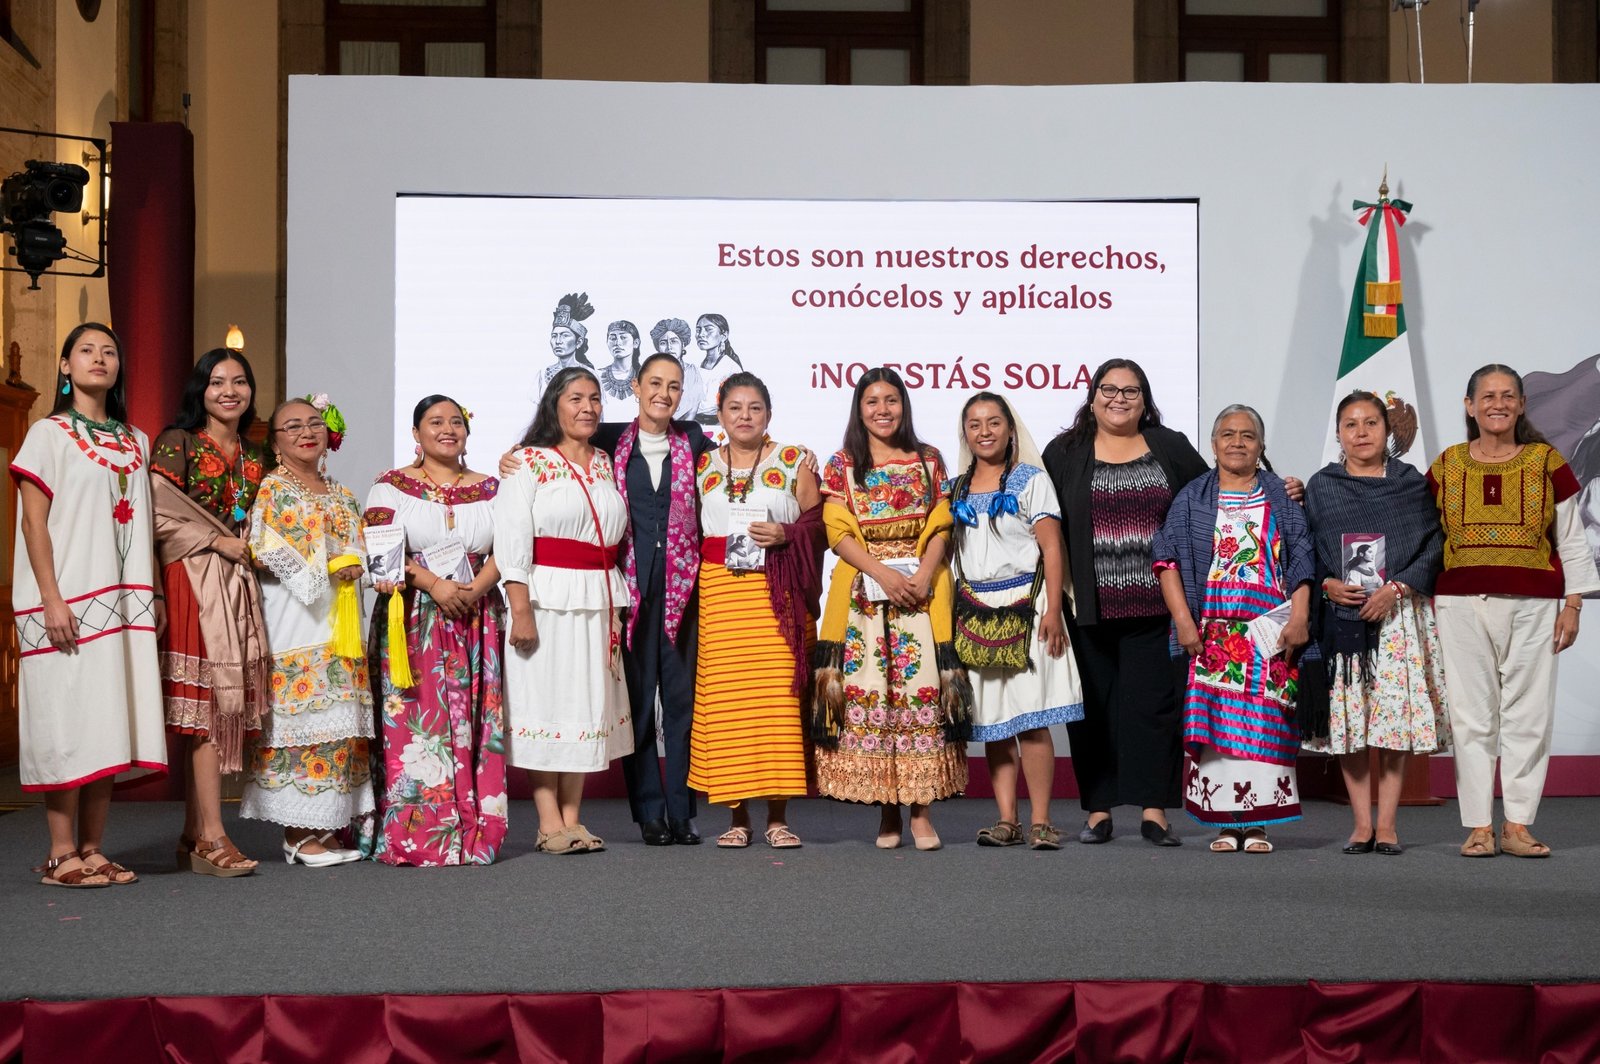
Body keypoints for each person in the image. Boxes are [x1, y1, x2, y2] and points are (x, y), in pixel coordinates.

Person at [13, 323, 167, 887]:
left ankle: (94, 848)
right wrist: (51, 598)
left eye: (108, 352)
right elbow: (33, 524)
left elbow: (146, 527)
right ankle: (61, 852)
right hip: (66, 601)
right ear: (65, 366)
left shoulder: (136, 440)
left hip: (124, 603)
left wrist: (153, 591)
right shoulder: (46, 434)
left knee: (107, 721)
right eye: (86, 351)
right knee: (66, 721)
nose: (99, 359)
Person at [1428, 364, 1600, 858]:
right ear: (1469, 406)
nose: (1497, 404)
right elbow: (1419, 530)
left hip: (1535, 605)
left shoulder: (1547, 462)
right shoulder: (1446, 466)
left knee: (1529, 715)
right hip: (1460, 605)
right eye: (1487, 396)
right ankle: (1480, 826)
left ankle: (1518, 824)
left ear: (1522, 404)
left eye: (1508, 395)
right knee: (1471, 717)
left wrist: (1574, 603)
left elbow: (1571, 539)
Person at [1040, 359, 1208, 847]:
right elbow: (1040, 518)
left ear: (1145, 400)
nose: (1119, 399)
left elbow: (1212, 491)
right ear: (1093, 397)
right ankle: (1098, 811)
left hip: (1158, 608)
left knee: (1154, 711)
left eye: (1131, 391)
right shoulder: (1064, 452)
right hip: (1087, 609)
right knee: (1092, 712)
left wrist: (1277, 486)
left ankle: (1154, 811)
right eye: (1109, 389)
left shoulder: (1169, 445)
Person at [811, 367, 969, 850]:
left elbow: (942, 522)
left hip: (921, 598)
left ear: (904, 405)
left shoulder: (928, 459)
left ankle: (921, 813)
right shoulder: (842, 464)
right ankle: (887, 813)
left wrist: (924, 574)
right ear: (859, 410)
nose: (883, 410)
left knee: (923, 698)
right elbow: (837, 530)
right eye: (872, 401)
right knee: (873, 699)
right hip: (865, 598)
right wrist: (883, 573)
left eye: (891, 400)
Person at [1154, 405, 1313, 854]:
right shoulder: (1192, 498)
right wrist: (1184, 623)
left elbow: (1302, 557)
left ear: (1261, 446)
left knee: (1265, 726)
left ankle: (1258, 825)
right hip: (1213, 635)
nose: (1237, 442)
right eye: (1228, 434)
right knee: (1219, 729)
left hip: (1269, 633)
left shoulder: (1281, 496)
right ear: (1213, 444)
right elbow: (1166, 560)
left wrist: (1300, 618)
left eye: (1247, 435)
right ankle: (1225, 822)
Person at [1301, 391, 1449, 856]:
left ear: (1388, 431)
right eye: (1351, 424)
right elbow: (1306, 547)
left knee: (1393, 720)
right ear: (1338, 433)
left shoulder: (1411, 483)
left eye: (1371, 423)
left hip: (1397, 617)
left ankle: (1387, 825)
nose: (1361, 433)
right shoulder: (1321, 486)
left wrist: (1398, 588)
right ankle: (1361, 824)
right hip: (1342, 620)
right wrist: (1327, 584)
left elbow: (1435, 544)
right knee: (1350, 720)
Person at [363, 395, 508, 865]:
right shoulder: (390, 486)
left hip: (476, 615)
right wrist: (435, 585)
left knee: (475, 723)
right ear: (416, 433)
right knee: (415, 722)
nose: (448, 429)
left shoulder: (492, 487)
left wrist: (475, 588)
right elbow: (382, 554)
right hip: (414, 616)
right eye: (436, 422)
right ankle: (417, 833)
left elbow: (509, 547)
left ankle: (475, 827)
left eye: (456, 422)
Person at [494, 367, 633, 854]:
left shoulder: (606, 461)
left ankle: (573, 820)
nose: (588, 407)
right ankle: (548, 822)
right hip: (546, 596)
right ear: (554, 404)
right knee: (544, 703)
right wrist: (521, 609)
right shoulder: (527, 462)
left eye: (595, 398)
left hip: (599, 596)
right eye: (576, 398)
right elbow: (512, 538)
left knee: (583, 705)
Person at [150, 348, 273, 877]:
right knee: (205, 713)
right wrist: (216, 541)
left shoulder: (256, 456)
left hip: (237, 585)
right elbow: (156, 515)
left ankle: (192, 832)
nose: (229, 391)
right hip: (191, 579)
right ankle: (212, 837)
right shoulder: (177, 442)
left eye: (239, 381)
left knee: (216, 711)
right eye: (217, 381)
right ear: (200, 390)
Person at [690, 371, 822, 849]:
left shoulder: (793, 461)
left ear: (769, 414)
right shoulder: (702, 464)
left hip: (776, 595)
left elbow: (819, 523)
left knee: (778, 705)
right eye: (735, 408)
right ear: (721, 415)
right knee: (729, 707)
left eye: (755, 408)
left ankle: (778, 818)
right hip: (721, 595)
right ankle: (738, 816)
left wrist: (788, 534)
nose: (744, 416)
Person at [948, 393, 1083, 850]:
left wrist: (1054, 610)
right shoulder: (955, 489)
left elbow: (1052, 547)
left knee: (1031, 717)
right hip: (976, 611)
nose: (984, 431)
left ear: (1009, 429)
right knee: (994, 721)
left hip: (1028, 605)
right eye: (974, 424)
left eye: (993, 422)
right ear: (965, 433)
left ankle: (1041, 820)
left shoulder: (1030, 480)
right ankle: (1007, 819)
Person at [242, 396, 373, 866]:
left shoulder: (342, 492)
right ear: (276, 443)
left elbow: (359, 542)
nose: (306, 432)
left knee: (341, 723)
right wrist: (329, 563)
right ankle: (296, 834)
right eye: (293, 426)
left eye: (314, 424)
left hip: (341, 619)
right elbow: (263, 547)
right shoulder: (274, 488)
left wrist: (356, 560)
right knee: (303, 725)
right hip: (296, 618)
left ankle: (324, 826)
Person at [595, 352, 712, 846]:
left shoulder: (695, 440)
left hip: (685, 592)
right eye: (656, 383)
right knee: (639, 704)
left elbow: (745, 457)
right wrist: (514, 455)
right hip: (631, 594)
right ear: (636, 387)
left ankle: (682, 813)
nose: (664, 394)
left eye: (674, 386)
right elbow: (550, 443)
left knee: (682, 705)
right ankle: (649, 812)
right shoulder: (607, 441)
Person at [690, 314, 742, 425]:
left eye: (708, 329)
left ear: (724, 336)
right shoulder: (696, 366)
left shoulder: (731, 368)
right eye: (698, 330)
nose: (701, 334)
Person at [539, 293, 596, 394]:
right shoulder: (543, 375)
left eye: (565, 335)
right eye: (554, 336)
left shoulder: (589, 374)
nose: (558, 341)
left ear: (579, 342)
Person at [650, 317, 703, 420]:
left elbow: (692, 410)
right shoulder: (652, 374)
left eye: (674, 341)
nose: (669, 347)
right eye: (663, 343)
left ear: (682, 345)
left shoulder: (692, 372)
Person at [598, 320, 642, 422]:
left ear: (636, 343)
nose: (617, 343)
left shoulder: (646, 377)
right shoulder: (597, 376)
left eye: (623, 337)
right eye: (613, 338)